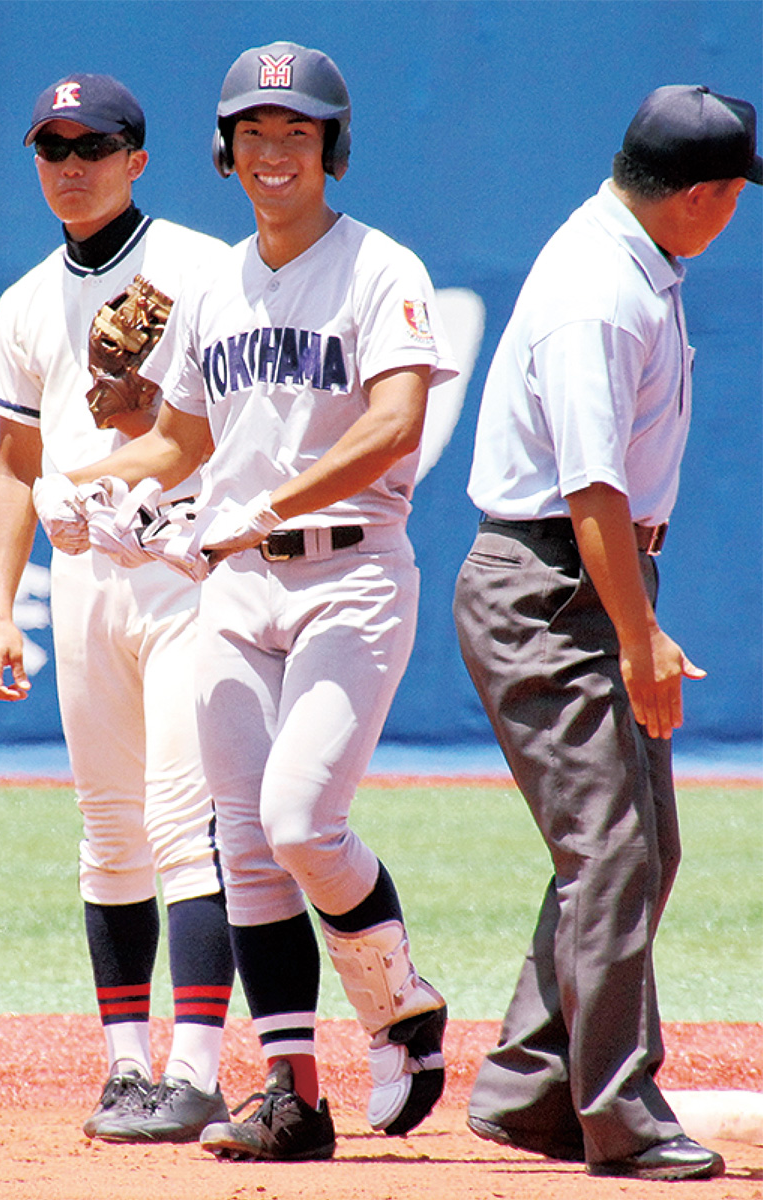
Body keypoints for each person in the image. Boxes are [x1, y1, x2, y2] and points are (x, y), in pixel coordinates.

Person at [40, 42, 458, 1162]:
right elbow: (181, 438)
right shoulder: (212, 283)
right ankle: (292, 1095)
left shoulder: (381, 268)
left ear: (332, 150)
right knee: (244, 847)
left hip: (349, 572)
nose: (275, 154)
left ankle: (396, 1003)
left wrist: (259, 498)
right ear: (224, 154)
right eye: (254, 135)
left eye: (298, 134)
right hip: (233, 581)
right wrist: (90, 488)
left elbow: (392, 423)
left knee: (299, 820)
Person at [453, 84, 760, 1182]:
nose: (734, 211)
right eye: (732, 193)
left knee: (634, 848)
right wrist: (637, 639)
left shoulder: (626, 254)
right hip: (550, 582)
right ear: (701, 195)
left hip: (581, 574)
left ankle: (529, 1084)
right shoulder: (598, 288)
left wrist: (631, 617)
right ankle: (616, 1112)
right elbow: (589, 491)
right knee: (612, 851)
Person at [0, 73, 235, 1144]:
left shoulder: (199, 269)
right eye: (52, 147)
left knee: (184, 824)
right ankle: (126, 1067)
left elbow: (235, 417)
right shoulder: (28, 300)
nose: (70, 165)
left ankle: (197, 1070)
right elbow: (16, 462)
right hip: (84, 587)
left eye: (93, 145)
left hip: (185, 575)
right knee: (107, 829)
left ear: (136, 156)